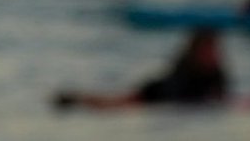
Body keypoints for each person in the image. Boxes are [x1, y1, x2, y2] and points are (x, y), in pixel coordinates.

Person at [54, 29, 229, 110]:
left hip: (162, 93)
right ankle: (76, 98)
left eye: (215, 50)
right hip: (156, 92)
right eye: (209, 50)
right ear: (196, 52)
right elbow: (177, 97)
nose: (214, 55)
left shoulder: (217, 74)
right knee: (114, 104)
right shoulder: (186, 72)